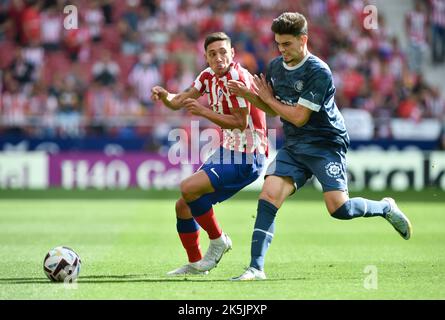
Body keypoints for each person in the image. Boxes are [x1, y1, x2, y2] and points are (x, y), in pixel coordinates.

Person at [227, 12, 413, 281]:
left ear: (303, 39)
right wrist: (252, 97)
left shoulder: (318, 71)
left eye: (287, 44)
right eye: (278, 44)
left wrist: (265, 97)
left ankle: (384, 207)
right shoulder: (276, 67)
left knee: (340, 209)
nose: (282, 50)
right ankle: (256, 267)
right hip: (294, 144)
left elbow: (299, 116)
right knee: (268, 194)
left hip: (325, 144)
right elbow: (273, 107)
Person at [151, 32, 268, 276]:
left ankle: (218, 240)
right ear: (205, 57)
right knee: (183, 206)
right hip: (227, 150)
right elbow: (179, 100)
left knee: (187, 187)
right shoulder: (207, 76)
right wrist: (165, 96)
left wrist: (203, 112)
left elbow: (238, 122)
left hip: (247, 156)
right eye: (212, 54)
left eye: (223, 52)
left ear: (232, 53)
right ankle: (196, 265)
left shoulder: (237, 77)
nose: (218, 58)